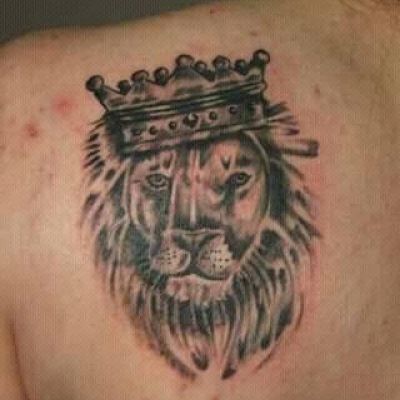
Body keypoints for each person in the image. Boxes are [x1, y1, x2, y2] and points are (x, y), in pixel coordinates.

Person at [0, 1, 399, 399]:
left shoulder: (21, 115)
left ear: (278, 190)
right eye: (157, 182)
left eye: (235, 179)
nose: (192, 225)